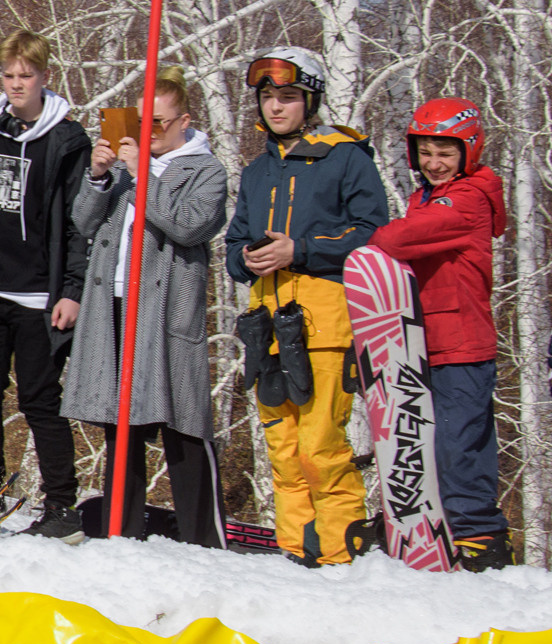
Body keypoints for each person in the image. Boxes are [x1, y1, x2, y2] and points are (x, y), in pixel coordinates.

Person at [223, 47, 389, 568]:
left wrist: (300, 250)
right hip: (266, 326)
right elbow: (234, 244)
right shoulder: (256, 170)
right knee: (284, 449)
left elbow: (374, 232)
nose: (276, 106)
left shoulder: (346, 157)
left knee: (321, 447)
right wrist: (245, 259)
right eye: (268, 96)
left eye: (288, 96)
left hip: (325, 323)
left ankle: (339, 554)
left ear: (310, 101)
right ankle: (295, 549)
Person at [59, 68, 229, 546]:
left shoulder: (206, 170)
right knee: (121, 421)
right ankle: (122, 529)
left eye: (158, 122)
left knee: (183, 420)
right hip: (113, 301)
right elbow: (83, 221)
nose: (147, 131)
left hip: (166, 309)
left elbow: (190, 225)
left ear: (184, 122)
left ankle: (203, 537)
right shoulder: (127, 167)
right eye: (141, 121)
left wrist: (140, 177)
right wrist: (98, 176)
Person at [0, 30, 92, 538]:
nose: (16, 84)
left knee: (39, 400)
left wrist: (72, 290)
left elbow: (79, 224)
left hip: (38, 294)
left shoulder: (67, 141)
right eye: (9, 75)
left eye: (26, 76)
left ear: (44, 76)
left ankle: (62, 506)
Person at [365, 99, 511, 570]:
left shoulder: (467, 199)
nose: (433, 163)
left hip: (460, 342)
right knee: (420, 441)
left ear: (469, 150)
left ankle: (478, 535)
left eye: (445, 153)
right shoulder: (426, 197)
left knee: (457, 443)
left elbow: (396, 240)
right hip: (424, 340)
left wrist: (374, 237)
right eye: (425, 152)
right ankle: (435, 529)